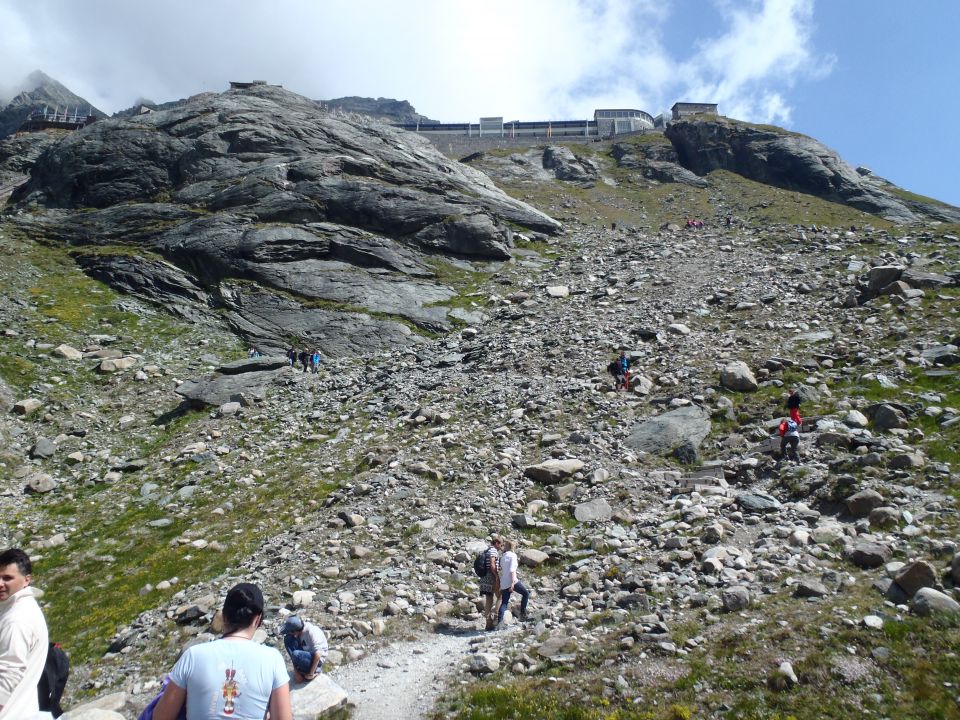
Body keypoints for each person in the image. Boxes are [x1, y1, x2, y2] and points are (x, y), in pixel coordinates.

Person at [152, 583, 291, 720]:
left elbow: (160, 717)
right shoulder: (273, 659)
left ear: (224, 616)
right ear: (257, 619)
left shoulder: (193, 655)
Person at [0, 548, 49, 720]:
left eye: (7, 578)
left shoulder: (17, 619)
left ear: (26, 580)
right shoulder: (23, 608)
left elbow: (10, 672)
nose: (0, 583)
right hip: (25, 710)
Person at [281, 616, 328, 682]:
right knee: (288, 639)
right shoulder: (298, 631)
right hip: (306, 653)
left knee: (296, 654)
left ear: (295, 631)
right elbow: (293, 654)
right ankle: (301, 670)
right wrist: (296, 673)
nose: (288, 633)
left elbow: (318, 654)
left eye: (290, 631)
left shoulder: (312, 631)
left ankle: (316, 670)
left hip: (317, 660)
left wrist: (311, 675)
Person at [497, 539, 530, 627]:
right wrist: (512, 584)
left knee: (504, 602)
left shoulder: (503, 556)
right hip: (513, 581)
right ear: (513, 547)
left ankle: (499, 622)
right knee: (526, 594)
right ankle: (522, 614)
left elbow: (502, 569)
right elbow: (512, 570)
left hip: (504, 582)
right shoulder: (513, 556)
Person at [479, 535, 502, 631]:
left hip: (484, 578)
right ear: (496, 543)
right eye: (501, 544)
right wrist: (497, 576)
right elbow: (493, 564)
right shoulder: (493, 551)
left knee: (489, 599)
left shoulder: (486, 550)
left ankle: (488, 623)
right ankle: (495, 617)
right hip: (491, 577)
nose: (501, 547)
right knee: (500, 596)